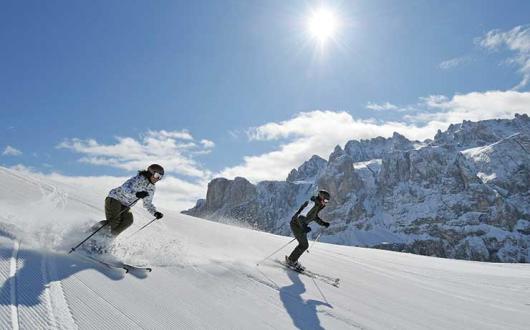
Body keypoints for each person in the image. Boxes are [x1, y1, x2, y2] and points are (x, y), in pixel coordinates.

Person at [103, 164, 164, 237]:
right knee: (114, 221)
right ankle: (92, 233)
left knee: (128, 221)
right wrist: (136, 194)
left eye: (160, 177)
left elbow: (147, 203)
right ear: (151, 172)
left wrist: (155, 213)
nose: (158, 179)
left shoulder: (151, 188)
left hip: (126, 205)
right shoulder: (138, 179)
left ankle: (107, 239)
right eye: (157, 175)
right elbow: (124, 188)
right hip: (115, 198)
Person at [285, 189, 331, 270]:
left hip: (300, 225)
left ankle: (292, 260)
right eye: (326, 200)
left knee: (303, 245)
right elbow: (300, 216)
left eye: (327, 201)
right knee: (304, 245)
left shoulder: (317, 205)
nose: (326, 202)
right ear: (321, 197)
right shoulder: (312, 204)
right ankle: (291, 261)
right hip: (296, 225)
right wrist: (303, 227)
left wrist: (323, 223)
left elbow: (314, 217)